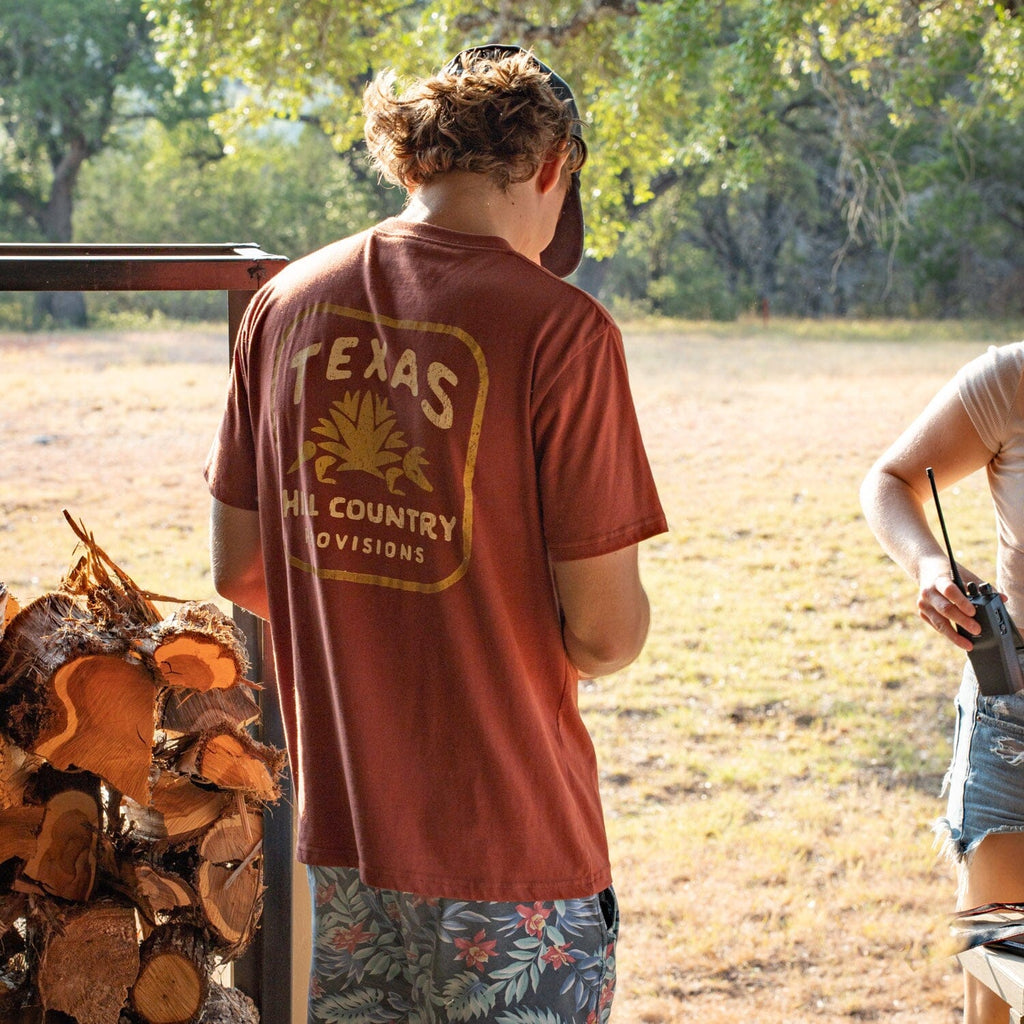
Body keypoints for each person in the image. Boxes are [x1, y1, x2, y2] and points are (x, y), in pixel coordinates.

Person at [204, 44, 667, 1023]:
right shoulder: (562, 330)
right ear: (553, 167)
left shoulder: (285, 305)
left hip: (348, 832)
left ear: (409, 159)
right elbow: (604, 636)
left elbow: (243, 566)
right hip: (512, 845)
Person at [860, 341, 1024, 1024]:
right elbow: (890, 480)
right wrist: (928, 565)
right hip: (1014, 713)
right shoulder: (1011, 379)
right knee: (998, 979)